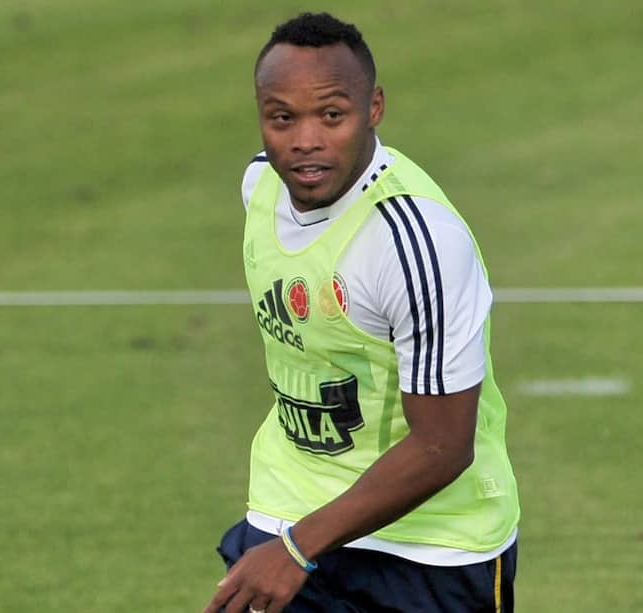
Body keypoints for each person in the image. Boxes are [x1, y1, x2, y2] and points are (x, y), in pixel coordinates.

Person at [204, 12, 520, 613]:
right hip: (289, 508)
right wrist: (290, 540)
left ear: (373, 107)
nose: (305, 141)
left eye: (331, 115)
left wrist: (297, 549)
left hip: (430, 549)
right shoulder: (261, 187)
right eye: (282, 117)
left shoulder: (413, 242)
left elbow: (443, 446)